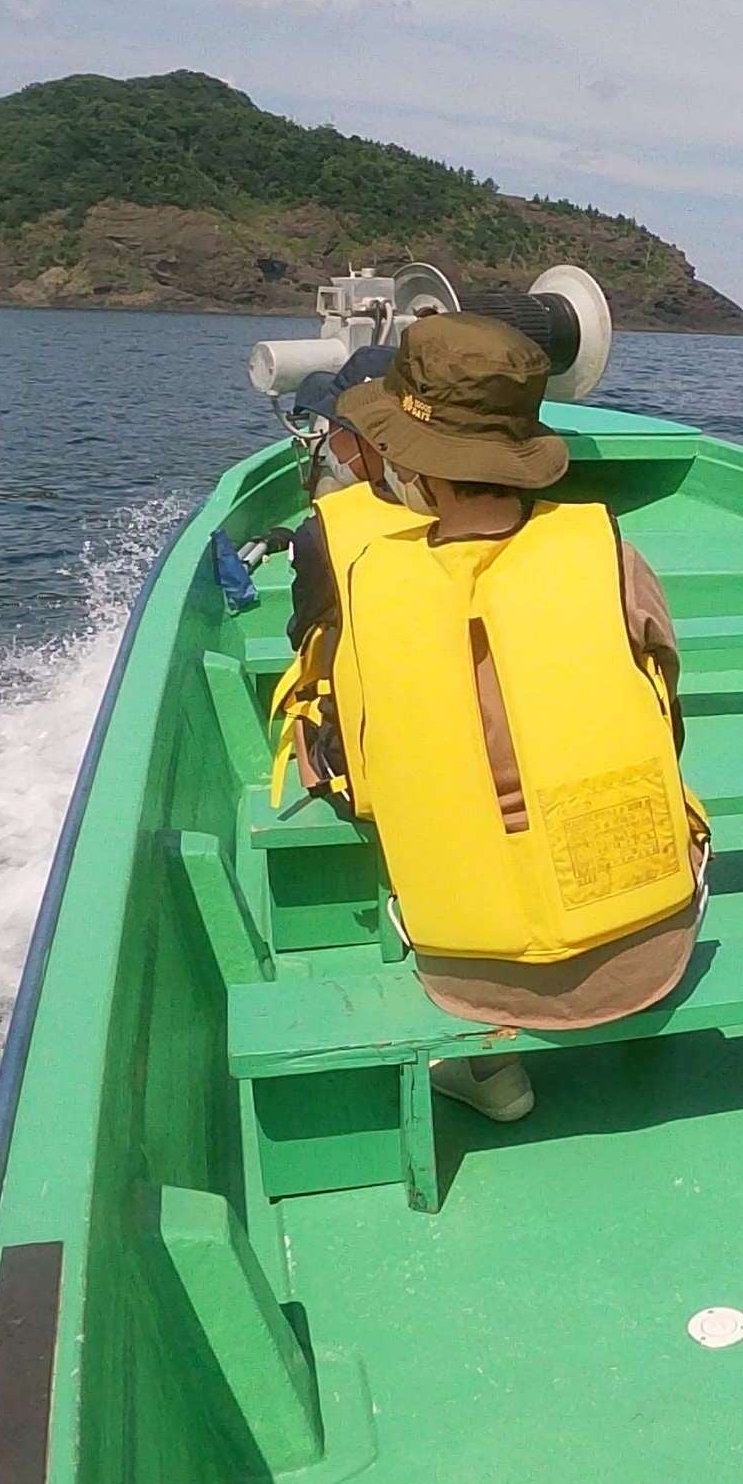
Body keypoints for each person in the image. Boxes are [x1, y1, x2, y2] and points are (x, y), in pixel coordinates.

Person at [268, 312, 702, 1121]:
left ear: (406, 461)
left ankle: (483, 1073)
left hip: (466, 968)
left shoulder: (371, 581)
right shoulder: (608, 550)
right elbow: (665, 717)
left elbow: (359, 782)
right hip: (653, 947)